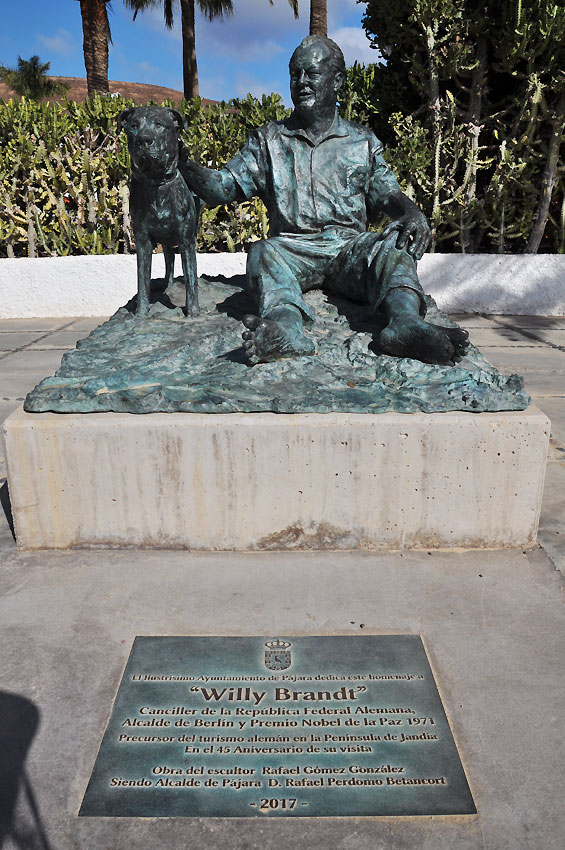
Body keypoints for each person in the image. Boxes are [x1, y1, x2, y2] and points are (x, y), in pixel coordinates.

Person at [179, 35, 469, 366]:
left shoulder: (362, 141)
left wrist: (412, 213)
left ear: (337, 81)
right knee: (263, 253)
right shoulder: (268, 141)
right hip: (292, 250)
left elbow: (387, 193)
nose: (301, 81)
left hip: (350, 250)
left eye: (312, 73)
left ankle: (405, 324)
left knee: (394, 246)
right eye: (295, 74)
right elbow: (223, 187)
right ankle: (286, 331)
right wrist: (182, 162)